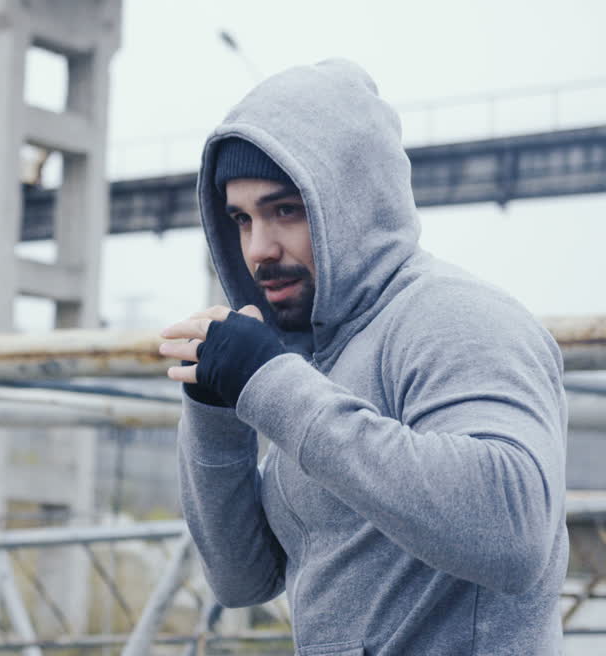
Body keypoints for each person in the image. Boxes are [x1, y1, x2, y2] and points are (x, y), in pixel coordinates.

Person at [158, 59, 568, 655]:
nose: (259, 249)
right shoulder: (319, 355)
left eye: (285, 211)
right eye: (241, 220)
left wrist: (271, 384)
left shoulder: (457, 318)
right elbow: (241, 580)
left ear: (351, 201)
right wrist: (215, 414)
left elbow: (512, 531)